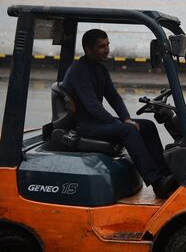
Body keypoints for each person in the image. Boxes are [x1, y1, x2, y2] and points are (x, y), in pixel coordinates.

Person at [62, 29, 178, 199]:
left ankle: (165, 174)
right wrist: (122, 125)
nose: (107, 49)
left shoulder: (100, 69)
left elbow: (114, 98)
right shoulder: (79, 71)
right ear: (88, 49)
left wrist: (126, 118)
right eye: (101, 46)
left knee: (147, 125)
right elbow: (93, 107)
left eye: (107, 45)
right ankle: (157, 182)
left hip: (96, 121)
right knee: (129, 130)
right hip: (83, 125)